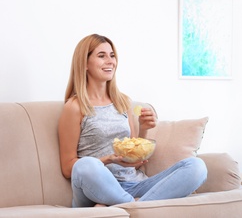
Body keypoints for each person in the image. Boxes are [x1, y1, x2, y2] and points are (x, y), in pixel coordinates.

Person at [58, 34, 207, 207]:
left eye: (112, 55)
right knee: (85, 166)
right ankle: (137, 207)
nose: (110, 61)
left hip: (135, 184)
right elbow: (69, 168)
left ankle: (128, 207)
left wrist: (143, 129)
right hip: (97, 188)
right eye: (101, 56)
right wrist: (108, 159)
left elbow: (133, 161)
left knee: (197, 167)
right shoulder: (75, 107)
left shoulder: (122, 102)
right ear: (84, 63)